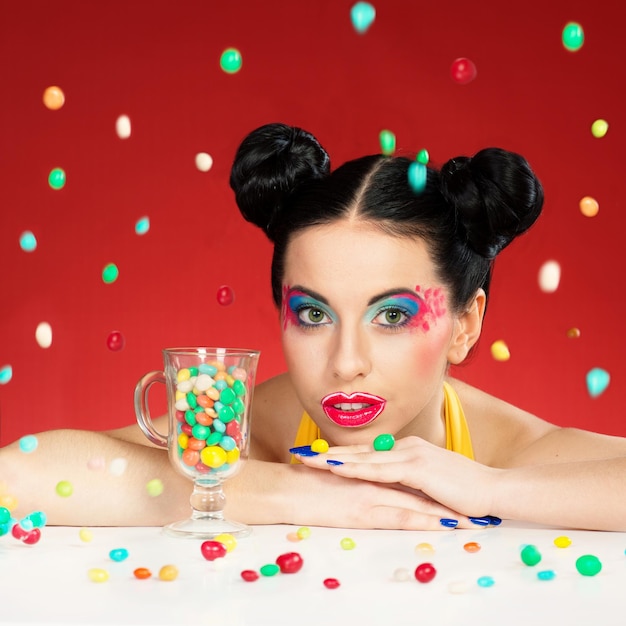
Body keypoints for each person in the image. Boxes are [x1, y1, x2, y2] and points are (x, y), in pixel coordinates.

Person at [2, 122, 625, 531]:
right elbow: (17, 475)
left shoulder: (503, 450)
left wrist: (489, 490)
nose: (344, 362)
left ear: (464, 324)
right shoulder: (258, 430)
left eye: (392, 316)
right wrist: (278, 492)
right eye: (313, 314)